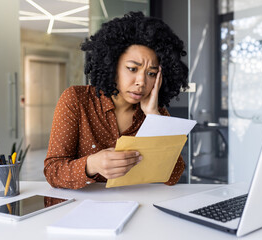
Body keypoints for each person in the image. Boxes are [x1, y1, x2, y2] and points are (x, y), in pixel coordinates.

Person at [44, 12, 189, 189]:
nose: (141, 82)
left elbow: (173, 176)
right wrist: (92, 164)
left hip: (136, 207)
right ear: (112, 66)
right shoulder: (76, 99)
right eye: (132, 69)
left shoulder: (154, 113)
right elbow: (53, 171)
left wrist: (153, 116)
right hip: (82, 208)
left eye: (151, 73)